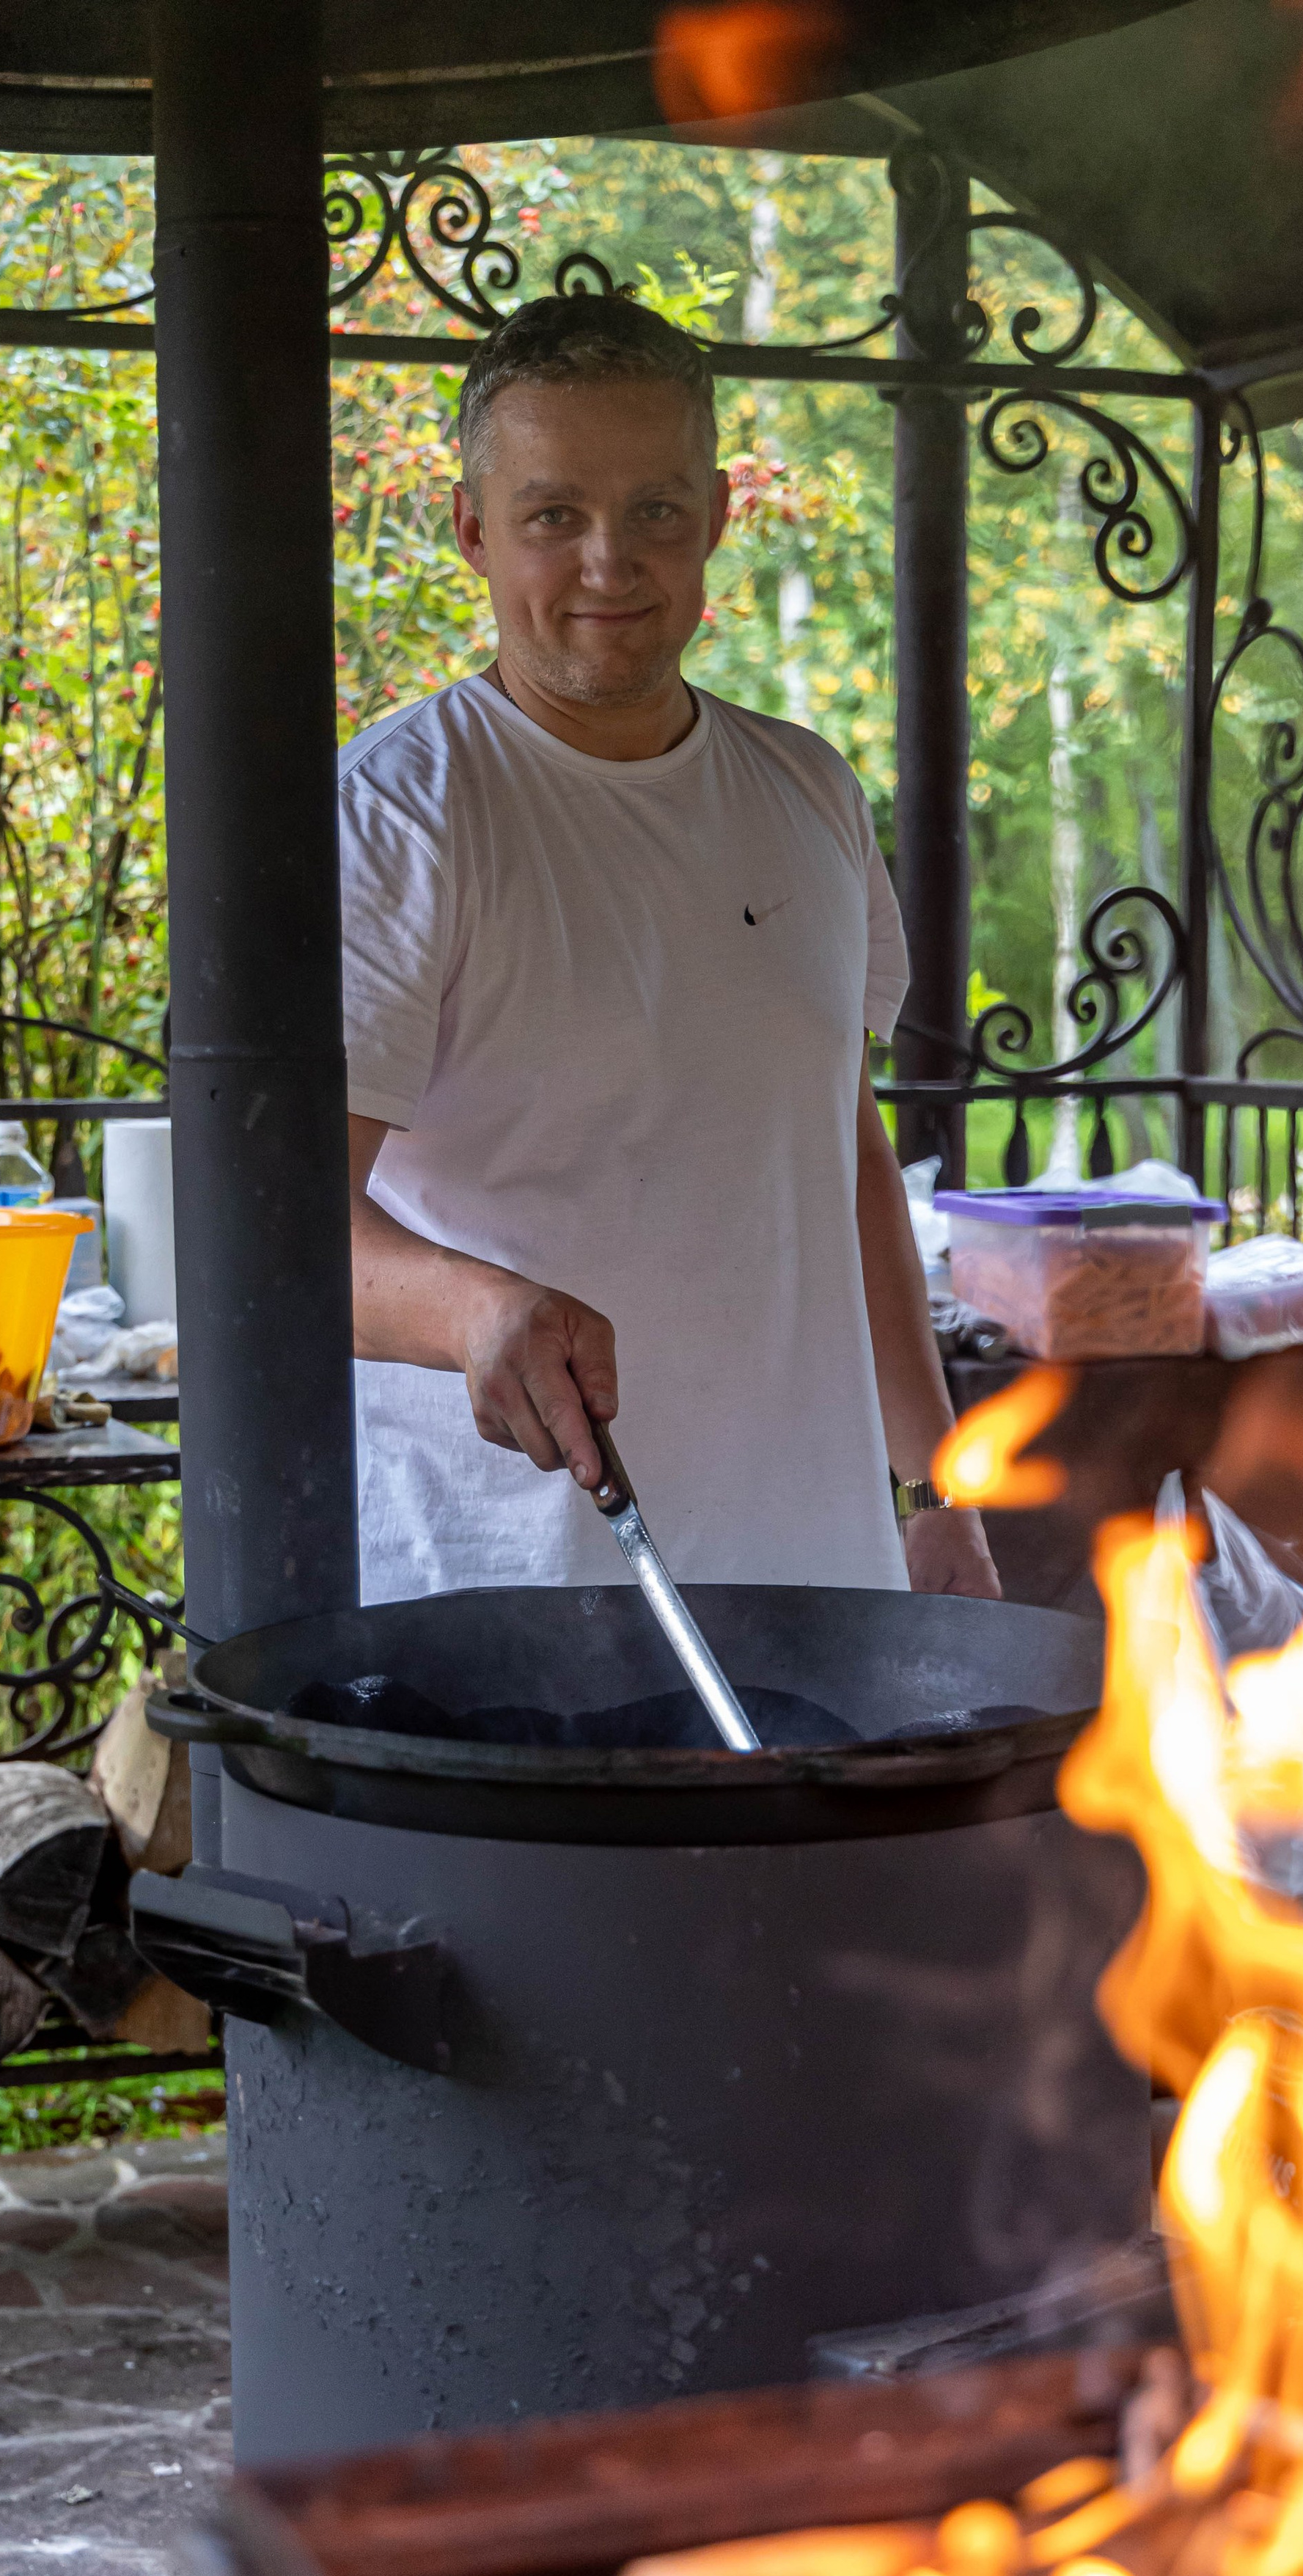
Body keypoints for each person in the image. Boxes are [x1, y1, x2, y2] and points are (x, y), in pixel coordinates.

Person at [341, 291, 997, 1605]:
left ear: (716, 522)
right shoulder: (402, 811)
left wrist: (932, 1491)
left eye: (654, 510)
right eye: (553, 515)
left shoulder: (809, 792)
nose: (608, 562)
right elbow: (263, 1235)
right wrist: (471, 1307)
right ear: (474, 530)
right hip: (500, 1595)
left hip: (813, 1574)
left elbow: (842, 1147)